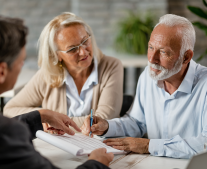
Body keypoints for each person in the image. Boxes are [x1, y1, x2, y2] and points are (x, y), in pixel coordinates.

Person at [0, 13, 114, 168]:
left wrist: (40, 116)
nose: (22, 66)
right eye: (21, 61)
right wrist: (97, 164)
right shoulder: (3, 133)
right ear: (2, 72)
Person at [81, 14, 207, 159]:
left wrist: (148, 146)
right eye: (151, 47)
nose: (152, 59)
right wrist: (107, 126)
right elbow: (137, 123)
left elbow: (205, 145)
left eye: (164, 52)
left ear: (186, 57)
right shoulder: (148, 76)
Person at [3, 12, 123, 130]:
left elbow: (103, 120)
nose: (83, 52)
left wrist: (55, 121)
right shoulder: (47, 75)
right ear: (57, 56)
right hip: (58, 147)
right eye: (72, 49)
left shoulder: (111, 66)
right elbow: (9, 110)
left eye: (85, 41)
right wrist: (44, 115)